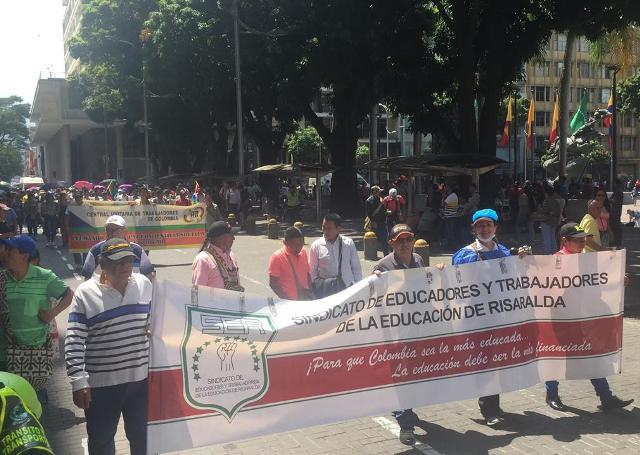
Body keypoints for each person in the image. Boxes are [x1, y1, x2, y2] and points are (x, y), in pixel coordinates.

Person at [65, 238, 152, 455]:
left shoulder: (144, 285)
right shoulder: (85, 293)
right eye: (117, 262)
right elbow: (74, 338)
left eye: (129, 261)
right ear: (102, 264)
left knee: (144, 437)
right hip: (101, 386)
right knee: (101, 441)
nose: (124, 267)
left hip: (140, 382)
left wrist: (154, 328)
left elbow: (155, 319)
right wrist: (78, 381)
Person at [544, 223, 634, 412]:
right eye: (577, 240)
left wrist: (618, 281)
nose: (582, 243)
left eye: (583, 239)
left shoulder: (587, 260)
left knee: (592, 355)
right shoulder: (556, 260)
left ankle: (606, 397)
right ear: (564, 241)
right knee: (556, 356)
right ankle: (551, 394)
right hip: (562, 319)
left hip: (583, 318)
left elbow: (598, 285)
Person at [452, 209, 528, 426]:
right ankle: (489, 409)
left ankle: (494, 404)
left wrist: (522, 260)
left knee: (497, 362)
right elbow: (455, 284)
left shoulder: (504, 252)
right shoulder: (464, 254)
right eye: (480, 226)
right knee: (485, 362)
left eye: (488, 225)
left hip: (500, 317)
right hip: (477, 319)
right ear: (473, 229)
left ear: (496, 228)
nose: (484, 229)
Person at [372, 224, 425, 445]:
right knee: (401, 375)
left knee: (413, 375)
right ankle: (406, 424)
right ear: (391, 243)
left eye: (408, 239)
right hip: (394, 333)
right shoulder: (382, 266)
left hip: (417, 330)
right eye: (400, 240)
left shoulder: (419, 260)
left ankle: (403, 408)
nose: (405, 244)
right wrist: (374, 283)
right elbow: (375, 302)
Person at [0, 235, 73, 394]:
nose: (5, 254)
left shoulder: (44, 277)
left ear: (24, 256)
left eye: (10, 251)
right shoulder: (2, 279)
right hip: (4, 353)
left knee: (32, 400)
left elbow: (68, 294)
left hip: (34, 354)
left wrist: (52, 313)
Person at [82, 215, 155, 279]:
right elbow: (87, 277)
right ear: (105, 231)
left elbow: (149, 275)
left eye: (118, 229)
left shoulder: (137, 250)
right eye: (109, 230)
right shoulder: (95, 251)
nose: (113, 233)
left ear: (125, 231)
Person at [309, 213, 362, 298]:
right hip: (326, 290)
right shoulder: (316, 246)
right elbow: (312, 271)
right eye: (324, 227)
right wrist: (316, 288)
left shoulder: (348, 243)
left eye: (329, 228)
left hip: (347, 289)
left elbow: (356, 268)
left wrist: (358, 288)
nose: (325, 231)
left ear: (338, 229)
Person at [192, 221, 244, 291]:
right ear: (220, 238)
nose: (233, 238)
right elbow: (197, 292)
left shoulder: (231, 255)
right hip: (214, 301)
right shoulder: (203, 260)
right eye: (231, 235)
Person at [268, 227, 312, 300]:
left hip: (305, 297)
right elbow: (273, 283)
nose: (298, 248)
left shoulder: (303, 252)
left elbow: (307, 274)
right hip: (288, 300)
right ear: (285, 243)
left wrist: (310, 290)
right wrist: (286, 300)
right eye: (295, 245)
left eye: (301, 244)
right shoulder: (277, 257)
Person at [365, 186, 389, 256]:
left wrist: (386, 213)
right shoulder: (368, 201)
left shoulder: (381, 199)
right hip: (374, 222)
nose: (380, 193)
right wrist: (373, 222)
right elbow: (368, 213)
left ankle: (386, 255)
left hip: (382, 221)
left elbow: (383, 210)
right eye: (378, 191)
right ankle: (372, 255)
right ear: (374, 192)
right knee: (373, 239)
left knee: (384, 239)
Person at [67, 191, 87, 271]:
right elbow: (66, 216)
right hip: (74, 228)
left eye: (79, 197)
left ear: (82, 197)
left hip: (85, 229)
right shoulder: (71, 206)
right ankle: (78, 263)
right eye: (76, 198)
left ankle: (85, 262)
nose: (78, 199)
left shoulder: (87, 206)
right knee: (76, 246)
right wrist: (67, 227)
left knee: (86, 246)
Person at [539, 185, 562, 254]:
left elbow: (544, 210)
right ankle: (554, 252)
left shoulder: (546, 201)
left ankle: (548, 252)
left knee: (547, 238)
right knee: (552, 237)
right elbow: (558, 211)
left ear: (546, 193)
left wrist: (539, 209)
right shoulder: (556, 201)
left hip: (546, 221)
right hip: (554, 221)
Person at [609, 178, 624, 248]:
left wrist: (610, 200)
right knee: (615, 228)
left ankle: (617, 243)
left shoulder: (618, 192)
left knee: (615, 228)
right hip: (616, 212)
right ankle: (616, 243)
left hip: (615, 212)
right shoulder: (617, 191)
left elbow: (614, 201)